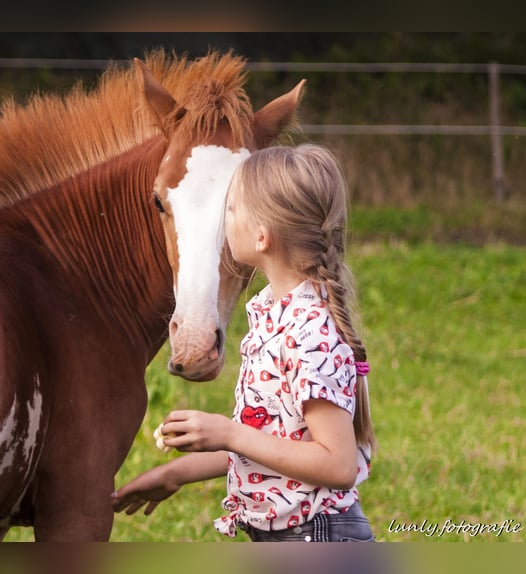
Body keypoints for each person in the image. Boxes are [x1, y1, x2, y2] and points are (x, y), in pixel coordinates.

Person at [111, 143, 377, 542]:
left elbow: (337, 465)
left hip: (318, 537)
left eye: (231, 208)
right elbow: (276, 439)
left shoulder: (309, 333)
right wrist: (176, 473)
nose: (223, 219)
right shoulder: (273, 310)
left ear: (262, 235)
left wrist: (229, 433)